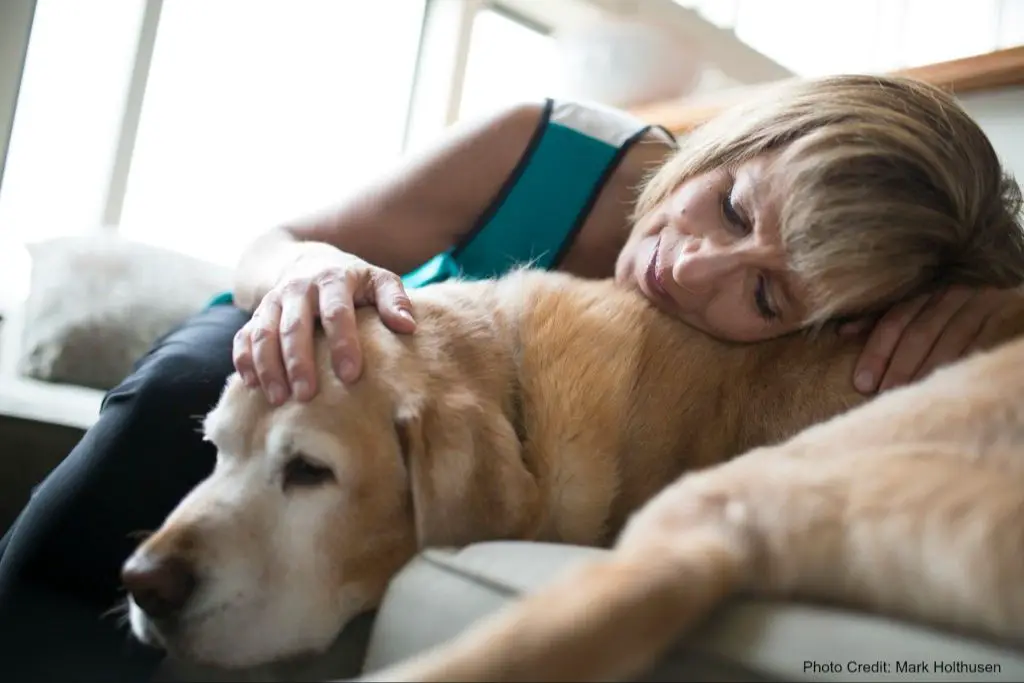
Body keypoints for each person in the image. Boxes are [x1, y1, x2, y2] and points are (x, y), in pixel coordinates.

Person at [1, 74, 1023, 681]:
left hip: (417, 439)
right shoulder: (554, 148)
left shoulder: (778, 343)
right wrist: (305, 269)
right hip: (328, 331)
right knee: (194, 369)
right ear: (731, 142)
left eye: (765, 298)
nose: (691, 266)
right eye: (732, 209)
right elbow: (282, 234)